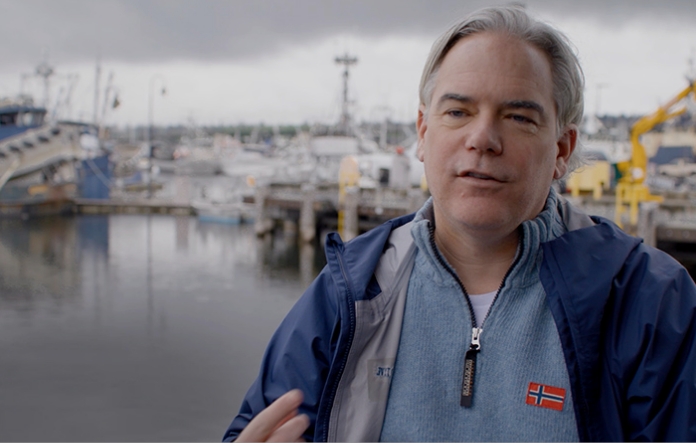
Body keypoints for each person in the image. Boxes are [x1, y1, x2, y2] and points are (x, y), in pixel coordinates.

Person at [223, 6, 696, 442]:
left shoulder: (647, 302)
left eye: (518, 117)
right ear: (424, 133)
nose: (483, 138)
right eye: (457, 112)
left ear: (562, 150)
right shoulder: (352, 292)